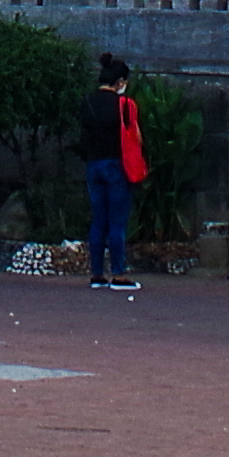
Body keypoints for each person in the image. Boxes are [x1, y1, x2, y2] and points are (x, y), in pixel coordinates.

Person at [79, 51, 147, 295]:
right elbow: (136, 137)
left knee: (99, 219)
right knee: (117, 221)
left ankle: (97, 274)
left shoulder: (86, 102)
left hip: (93, 165)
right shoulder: (125, 105)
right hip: (117, 165)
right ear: (120, 82)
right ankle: (118, 274)